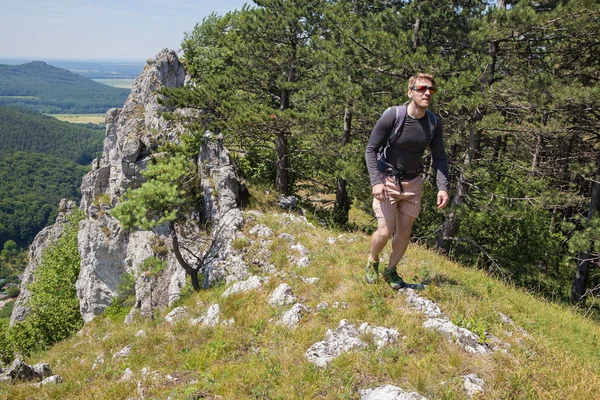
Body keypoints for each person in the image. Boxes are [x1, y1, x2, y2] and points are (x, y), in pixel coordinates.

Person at [364, 73, 449, 289]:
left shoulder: (433, 123)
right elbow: (371, 149)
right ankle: (373, 260)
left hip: (413, 184)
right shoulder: (393, 115)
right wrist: (376, 181)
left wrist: (443, 187)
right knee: (384, 231)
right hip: (387, 180)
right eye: (421, 88)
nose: (427, 93)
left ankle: (391, 270)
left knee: (404, 231)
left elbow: (439, 156)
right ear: (410, 92)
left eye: (431, 89)